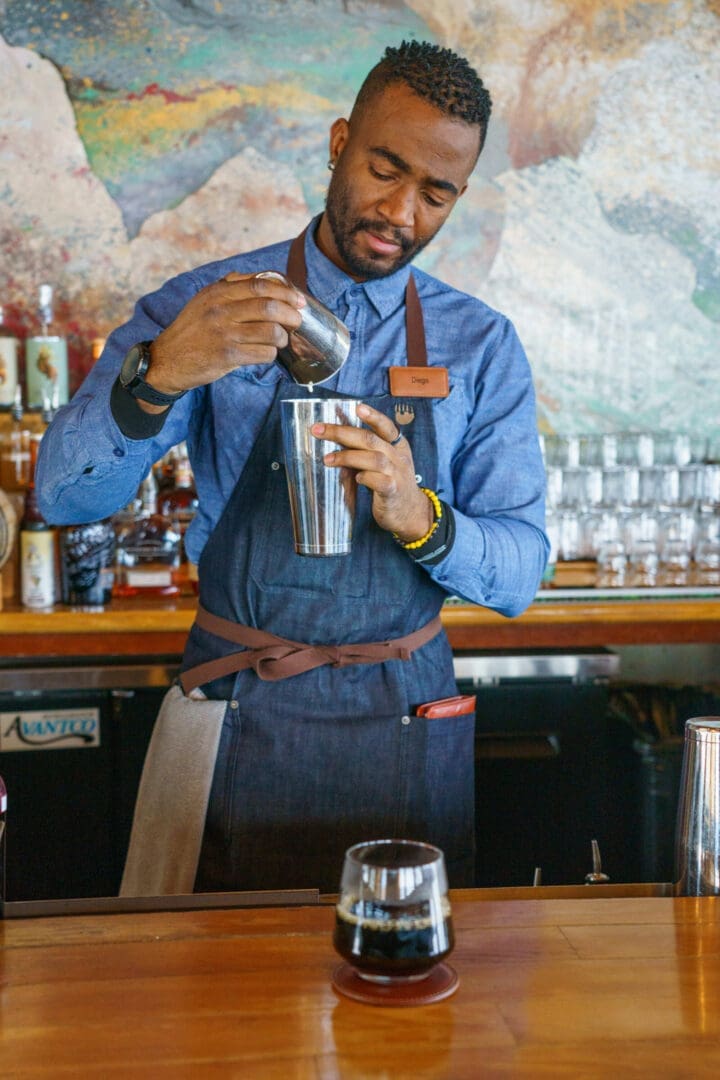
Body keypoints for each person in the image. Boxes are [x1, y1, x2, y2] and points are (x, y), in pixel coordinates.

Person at [37, 40, 549, 895]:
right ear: (339, 141)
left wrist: (422, 519)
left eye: (436, 193)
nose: (401, 211)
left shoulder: (483, 344)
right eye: (385, 169)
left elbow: (521, 574)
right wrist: (157, 374)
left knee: (407, 1001)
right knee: (218, 1003)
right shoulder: (201, 306)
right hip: (241, 709)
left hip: (406, 718)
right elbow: (60, 495)